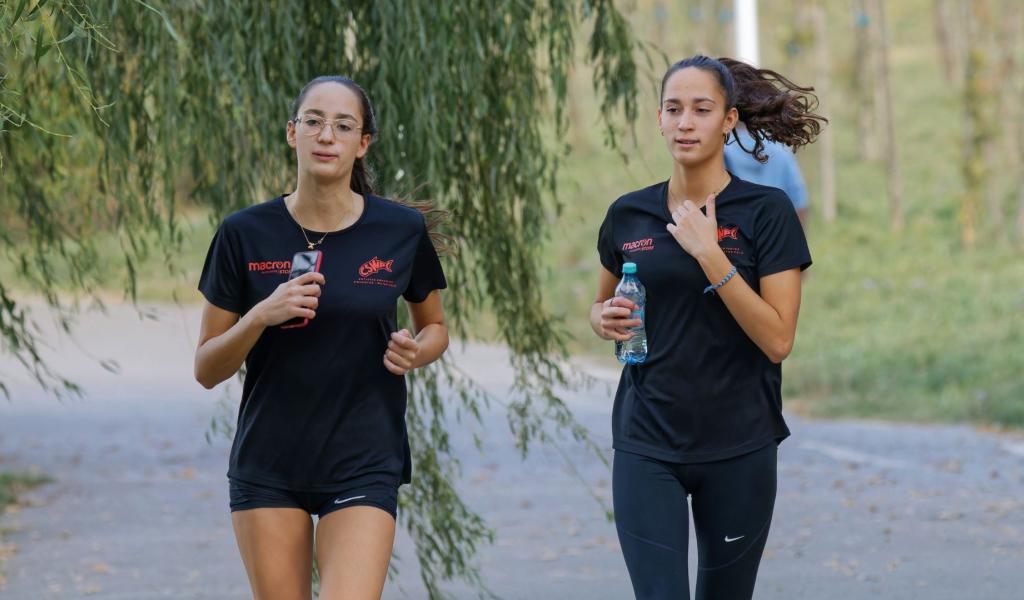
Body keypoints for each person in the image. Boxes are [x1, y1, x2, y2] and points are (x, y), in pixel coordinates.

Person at [194, 75, 449, 600]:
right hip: (270, 462)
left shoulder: (400, 231)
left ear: (363, 144)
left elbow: (436, 329)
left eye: (343, 125)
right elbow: (206, 368)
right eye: (313, 121)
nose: (326, 135)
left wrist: (415, 352)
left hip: (363, 455)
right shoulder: (243, 233)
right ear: (292, 134)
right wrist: (260, 315)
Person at [590, 55, 824, 600]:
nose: (685, 122)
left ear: (729, 120)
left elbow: (777, 339)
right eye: (674, 109)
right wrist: (603, 319)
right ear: (659, 119)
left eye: (702, 109)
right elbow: (600, 305)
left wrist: (710, 255)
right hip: (648, 441)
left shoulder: (768, 212)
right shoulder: (629, 214)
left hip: (739, 443)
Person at [725, 122, 810, 227]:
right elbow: (799, 204)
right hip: (776, 232)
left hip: (734, 233)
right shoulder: (781, 150)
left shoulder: (721, 149)